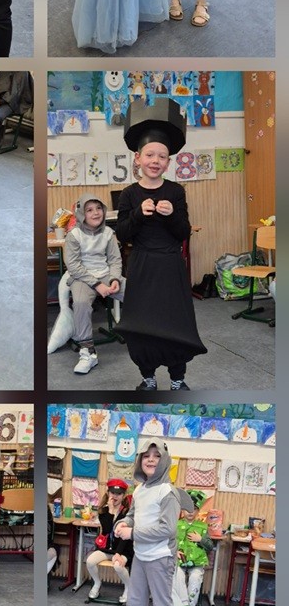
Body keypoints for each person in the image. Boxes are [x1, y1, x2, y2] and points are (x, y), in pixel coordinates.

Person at [115, 99, 207, 391]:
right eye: (150, 154)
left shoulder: (176, 191)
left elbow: (183, 233)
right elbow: (122, 235)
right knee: (142, 323)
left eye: (162, 156)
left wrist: (171, 216)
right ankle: (148, 377)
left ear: (169, 162)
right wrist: (138, 215)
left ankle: (178, 380)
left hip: (170, 265)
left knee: (174, 322)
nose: (155, 161)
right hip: (142, 266)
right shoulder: (129, 194)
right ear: (138, 157)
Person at [108, 439, 202, 606]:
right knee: (135, 602)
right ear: (140, 459)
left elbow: (167, 529)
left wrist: (132, 533)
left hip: (160, 557)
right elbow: (133, 515)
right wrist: (123, 523)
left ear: (165, 460)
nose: (151, 459)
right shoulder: (140, 489)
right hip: (142, 555)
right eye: (146, 455)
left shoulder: (167, 492)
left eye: (157, 455)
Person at [63, 194, 124, 375]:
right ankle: (88, 352)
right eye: (89, 210)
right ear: (82, 214)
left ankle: (148, 336)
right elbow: (73, 266)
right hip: (82, 277)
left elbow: (115, 260)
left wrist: (114, 279)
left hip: (105, 274)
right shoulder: (74, 235)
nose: (96, 213)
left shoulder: (109, 233)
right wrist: (97, 285)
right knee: (81, 303)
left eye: (98, 208)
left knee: (137, 293)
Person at [86, 479, 133, 601]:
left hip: (123, 550)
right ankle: (97, 583)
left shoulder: (127, 512)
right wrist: (111, 511)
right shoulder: (103, 511)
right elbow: (107, 530)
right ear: (108, 493)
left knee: (118, 565)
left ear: (124, 495)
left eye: (119, 494)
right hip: (107, 549)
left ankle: (128, 587)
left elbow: (125, 538)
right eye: (112, 493)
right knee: (90, 561)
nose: (115, 496)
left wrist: (118, 553)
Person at [176, 490, 213, 606]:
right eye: (187, 509)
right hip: (179, 562)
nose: (190, 512)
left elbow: (210, 546)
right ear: (182, 509)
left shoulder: (203, 527)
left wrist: (200, 539)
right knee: (177, 576)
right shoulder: (176, 525)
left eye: (194, 509)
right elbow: (168, 542)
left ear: (198, 511)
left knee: (195, 578)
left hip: (196, 563)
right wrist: (174, 551)